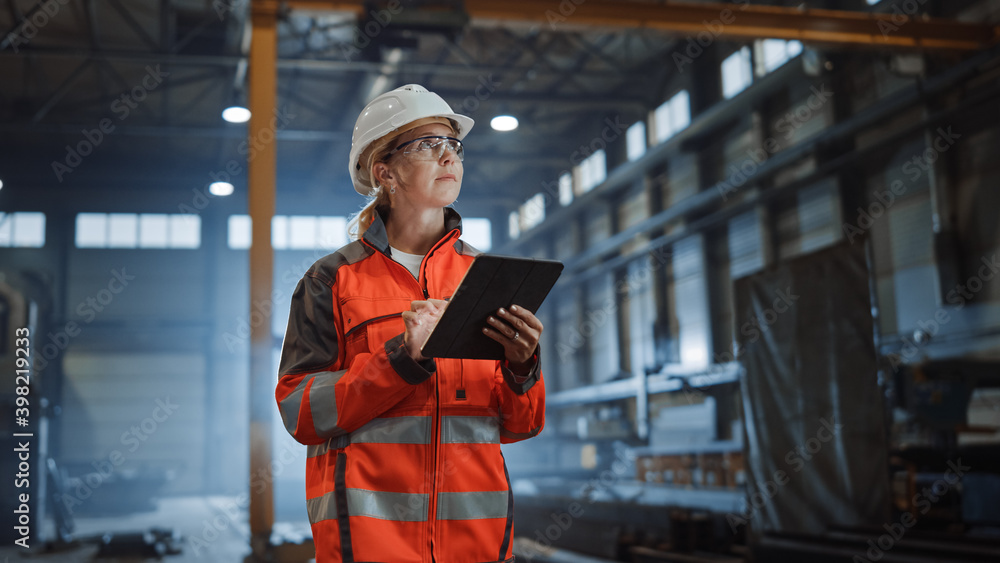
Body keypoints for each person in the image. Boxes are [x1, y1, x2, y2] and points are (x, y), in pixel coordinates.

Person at [275, 84, 546, 563]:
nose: (448, 157)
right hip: (369, 544)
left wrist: (523, 368)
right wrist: (402, 359)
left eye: (453, 145)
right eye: (427, 144)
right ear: (386, 172)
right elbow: (300, 411)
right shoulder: (332, 279)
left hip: (477, 546)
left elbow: (519, 425)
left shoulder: (486, 279)